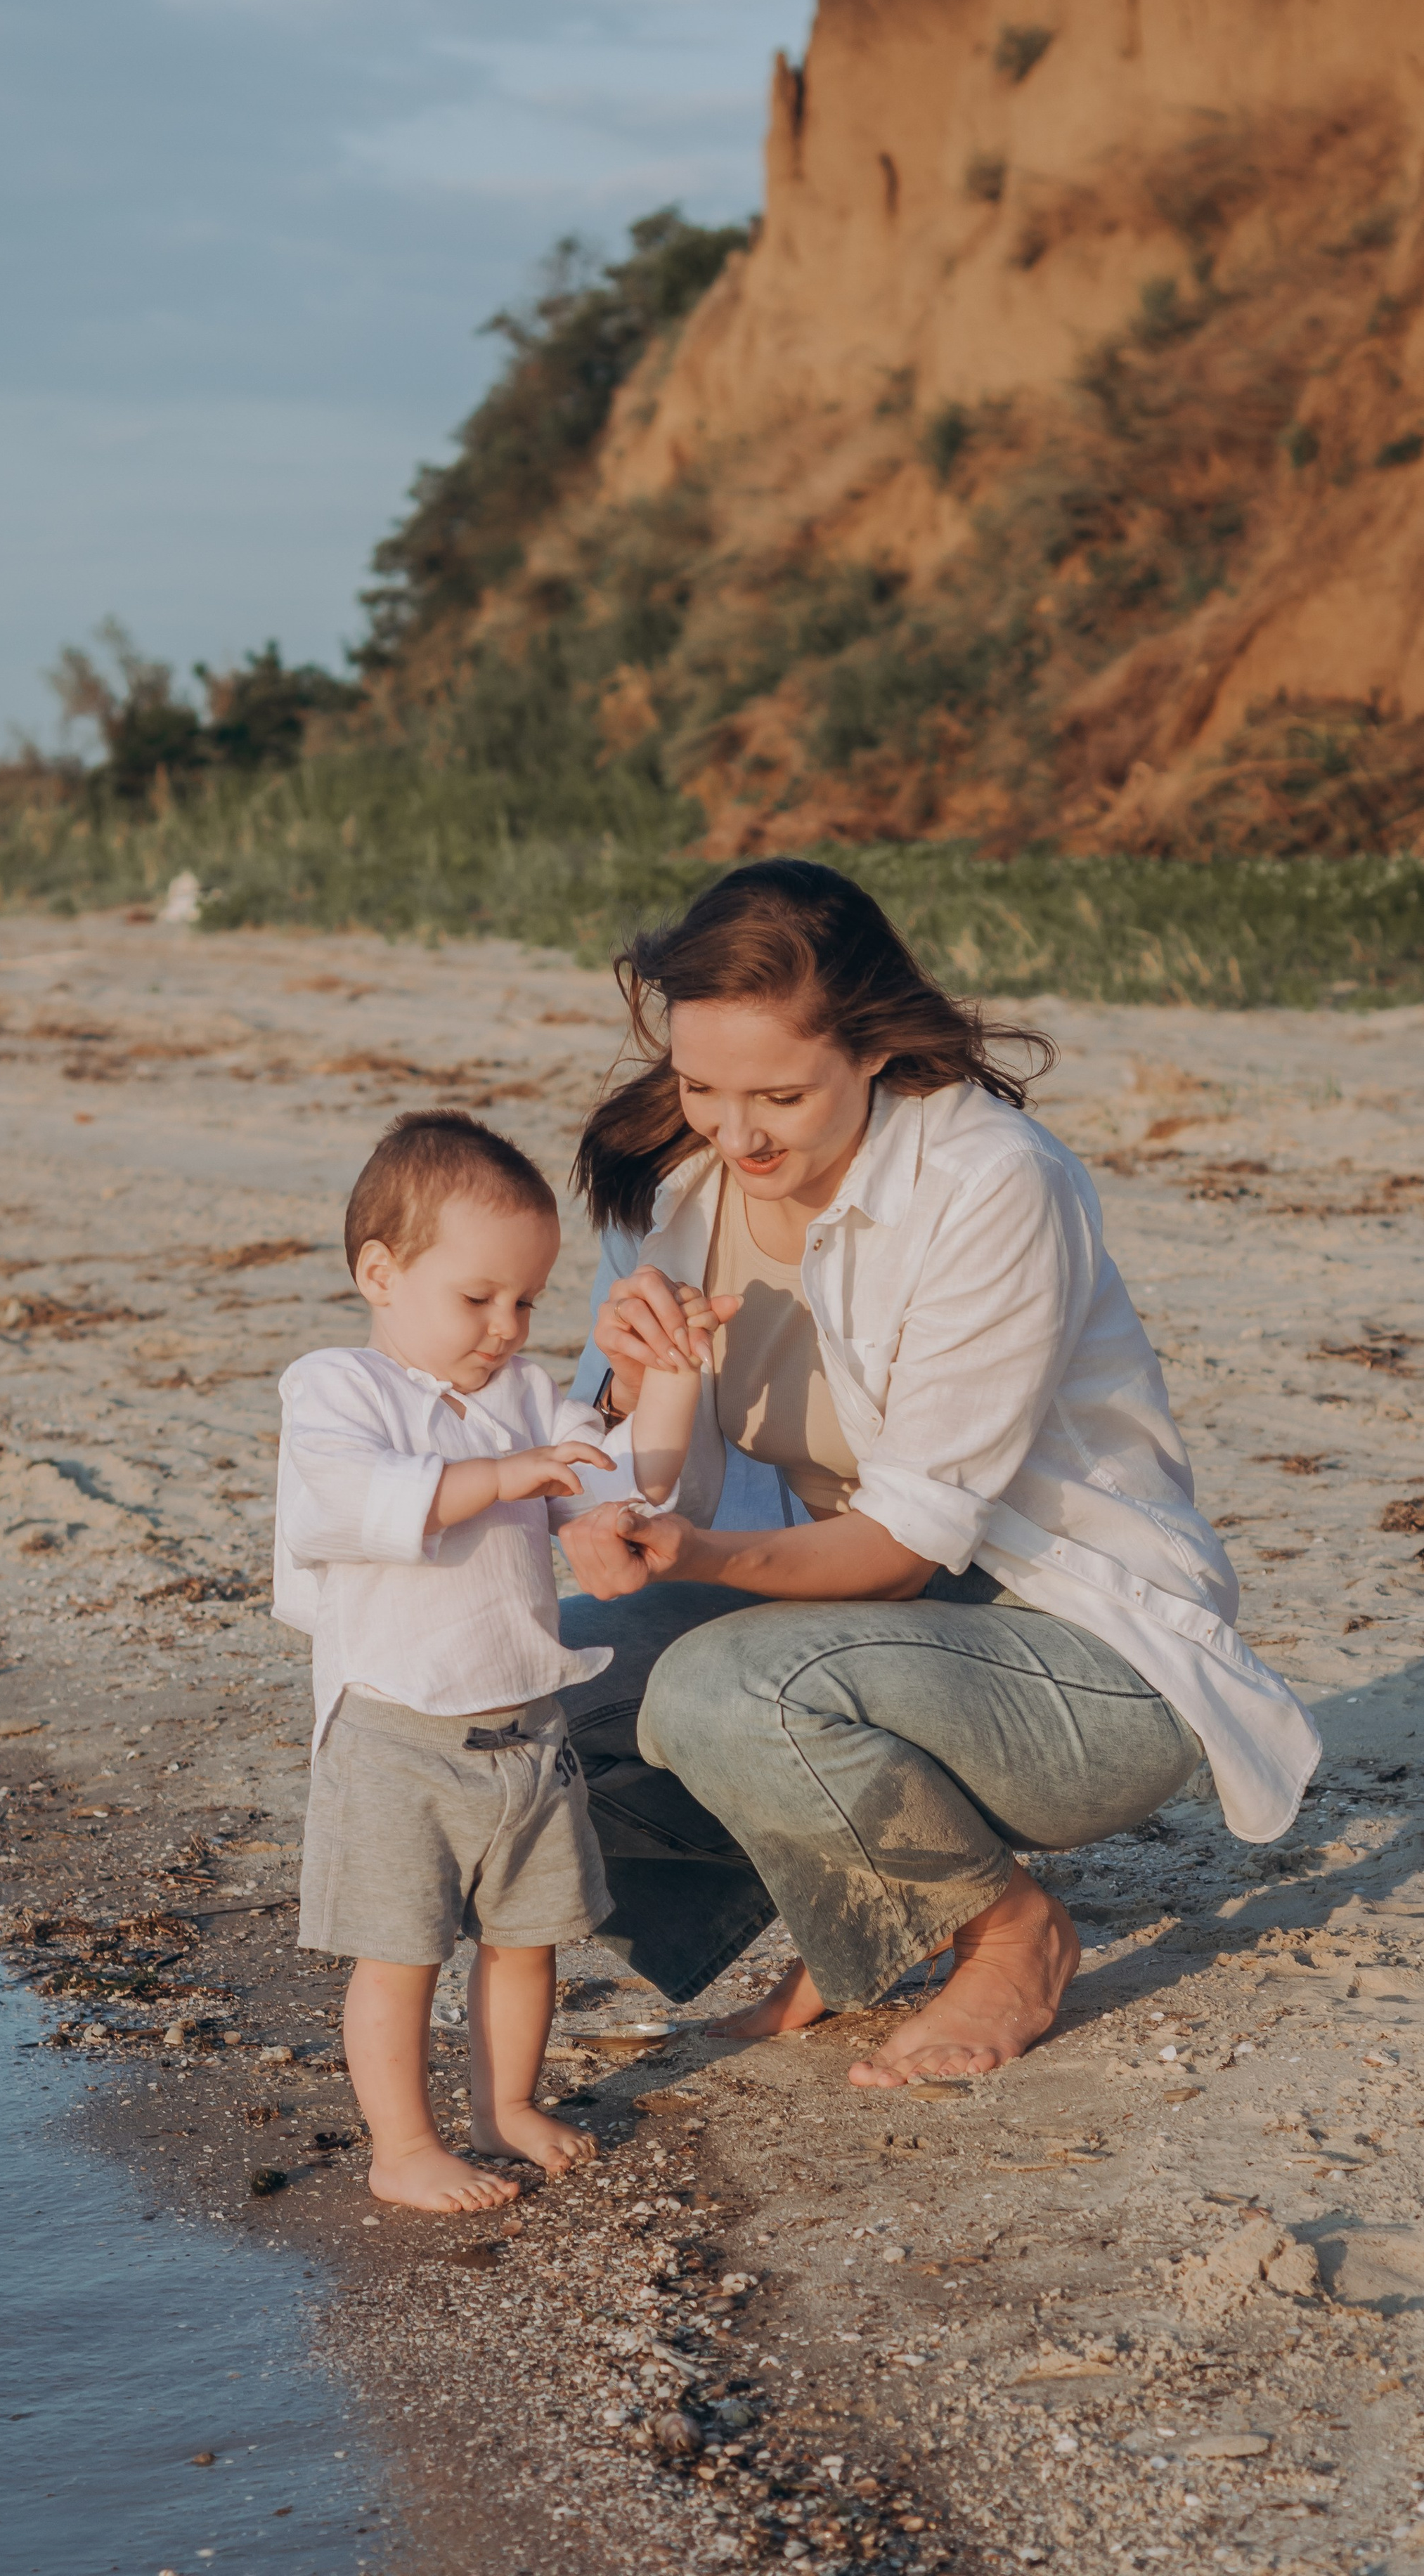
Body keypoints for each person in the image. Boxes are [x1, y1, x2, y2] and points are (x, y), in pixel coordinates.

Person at [554, 858, 1320, 2086]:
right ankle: (859, 1911)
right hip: (862, 1630)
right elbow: (655, 1495)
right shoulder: (680, 1188)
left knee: (714, 1689)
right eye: (701, 1087)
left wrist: (694, 1556)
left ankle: (1010, 1932)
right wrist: (635, 1388)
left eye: (780, 1096)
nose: (736, 1133)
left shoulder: (990, 1181)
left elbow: (903, 1548)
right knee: (527, 1685)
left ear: (871, 1047)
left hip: (1085, 1661)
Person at [273, 1108, 699, 2212]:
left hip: (527, 1732)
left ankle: (504, 2106)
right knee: (401, 1953)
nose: (507, 1328)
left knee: (526, 1942)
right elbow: (351, 1504)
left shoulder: (521, 1398)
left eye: (527, 1301)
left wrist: (676, 1373)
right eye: (478, 1299)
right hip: (395, 1733)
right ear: (381, 1273)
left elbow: (624, 1482)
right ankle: (403, 2145)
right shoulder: (338, 1389)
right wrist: (510, 1476)